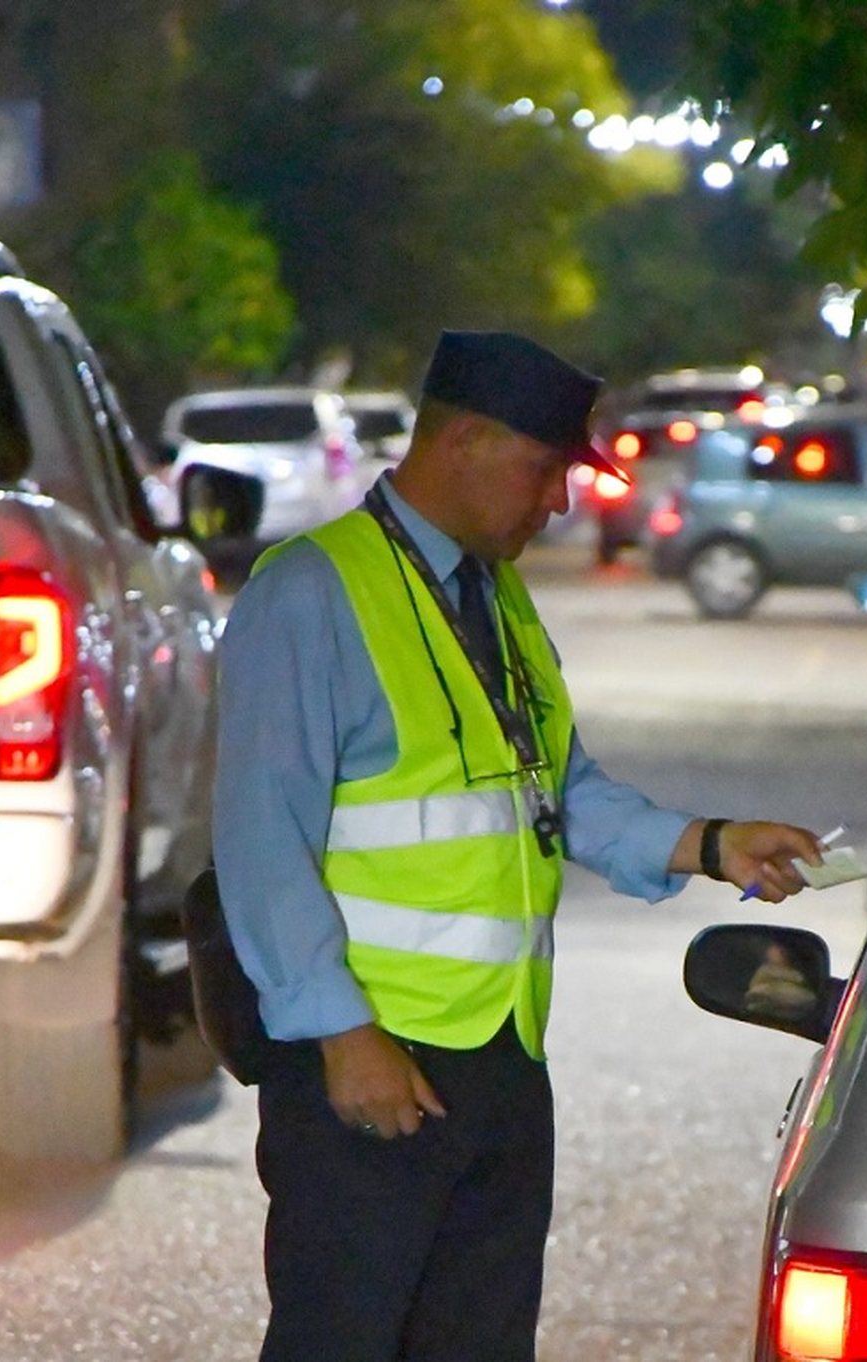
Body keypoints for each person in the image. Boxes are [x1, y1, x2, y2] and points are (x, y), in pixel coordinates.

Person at [212, 329, 826, 1362]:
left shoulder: (493, 596)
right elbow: (260, 838)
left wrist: (707, 845)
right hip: (370, 1065)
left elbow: (555, 790)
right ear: (461, 443)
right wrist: (339, 1034)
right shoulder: (310, 593)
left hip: (500, 1059)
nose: (560, 503)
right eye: (545, 471)